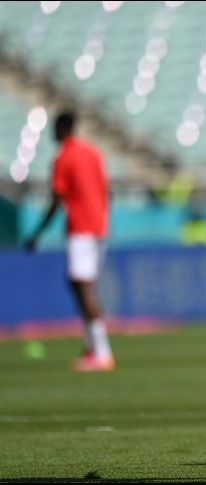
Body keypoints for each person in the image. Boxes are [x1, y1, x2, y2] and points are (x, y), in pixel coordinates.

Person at [25, 111, 113, 372]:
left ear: (62, 128)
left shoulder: (63, 157)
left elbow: (56, 199)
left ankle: (102, 353)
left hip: (81, 228)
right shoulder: (92, 152)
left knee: (83, 287)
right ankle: (92, 346)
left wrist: (38, 233)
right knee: (78, 284)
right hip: (98, 227)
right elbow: (106, 190)